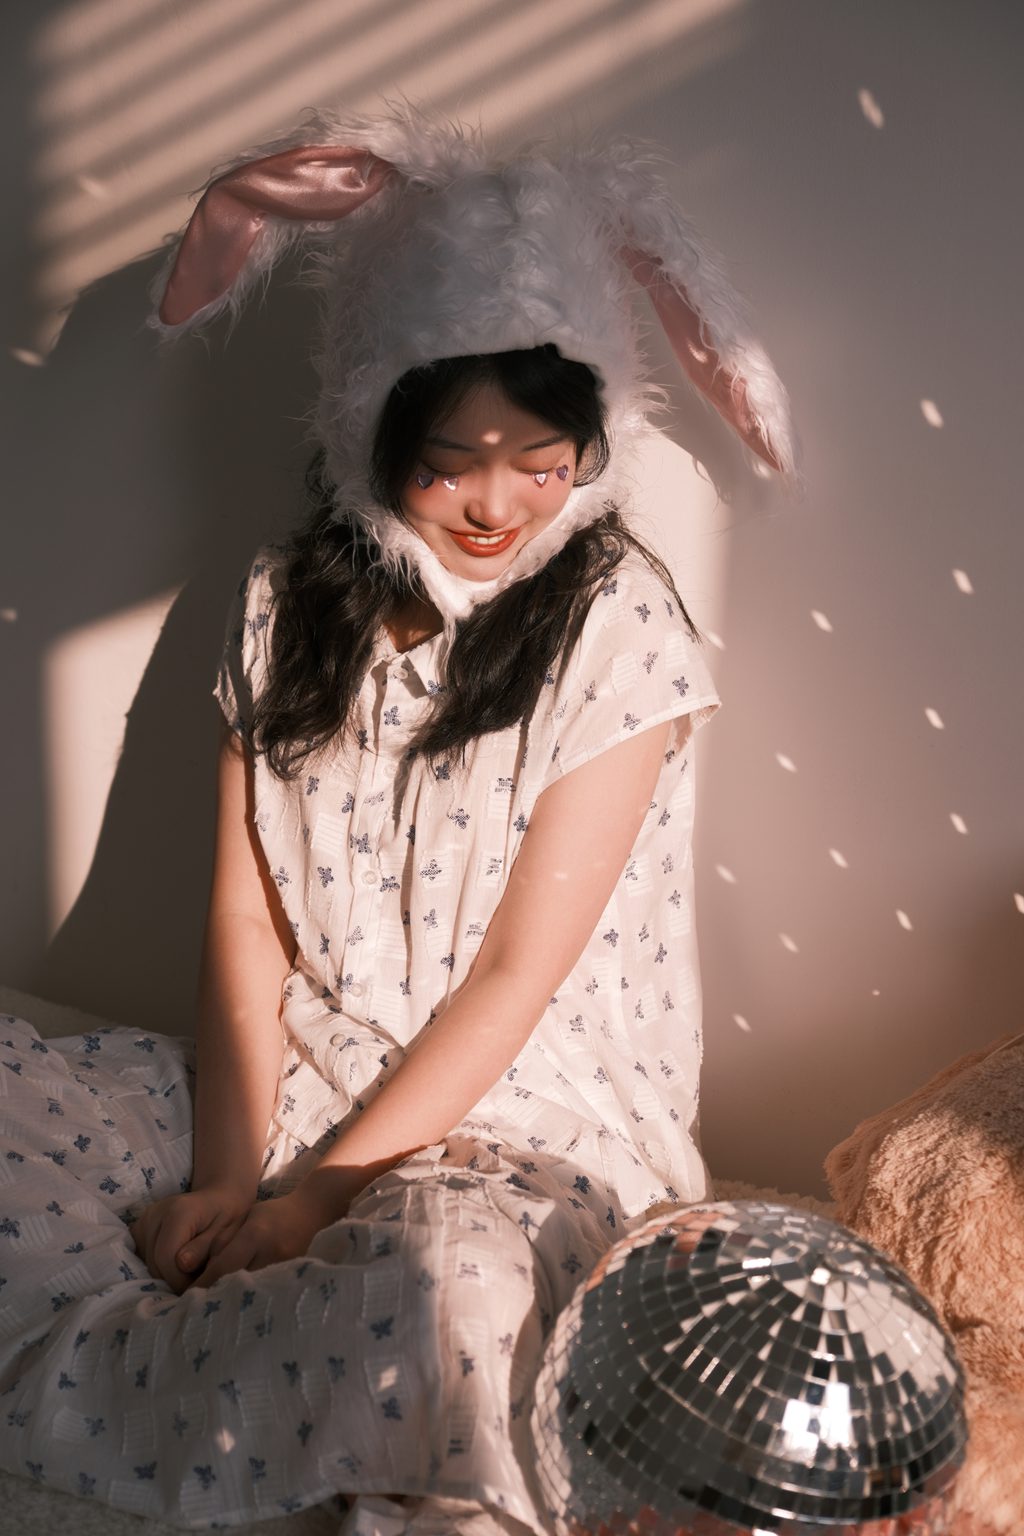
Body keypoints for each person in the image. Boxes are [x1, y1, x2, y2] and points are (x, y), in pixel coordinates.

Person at [0, 106, 795, 1533]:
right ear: (371, 425)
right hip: (294, 1075)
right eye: (450, 456)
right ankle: (206, 1371)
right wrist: (231, 1177)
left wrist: (309, 1209)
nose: (497, 502)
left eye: (543, 457)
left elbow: (514, 980)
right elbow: (245, 914)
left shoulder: (619, 626)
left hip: (514, 1110)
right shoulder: (281, 597)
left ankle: (217, 1384)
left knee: (451, 1299)